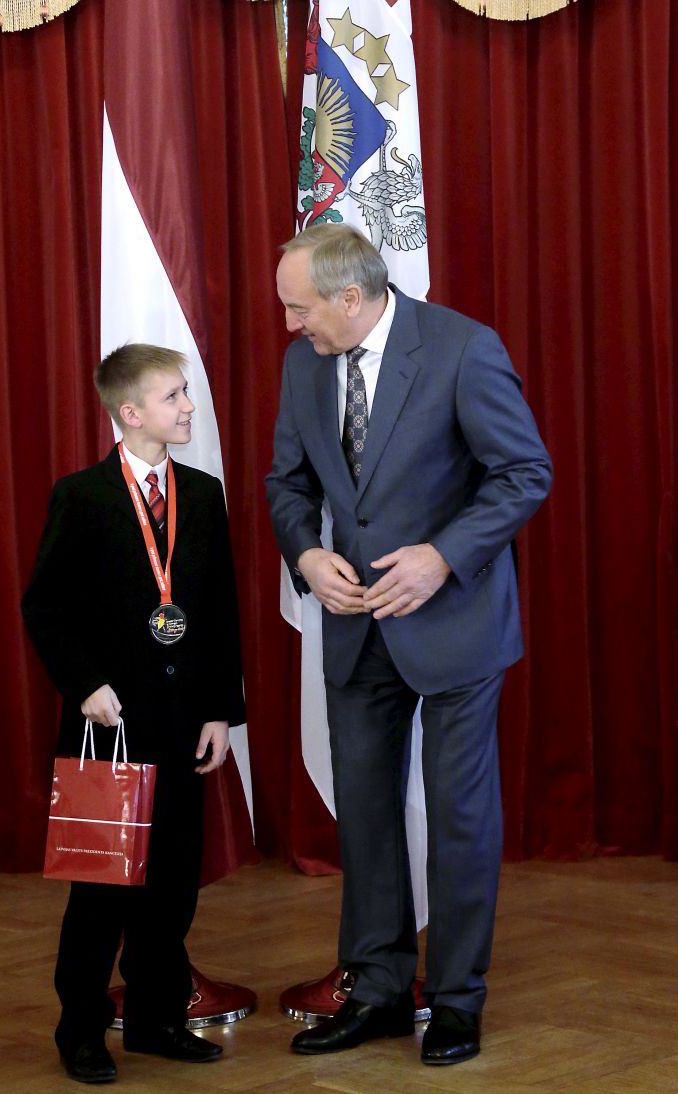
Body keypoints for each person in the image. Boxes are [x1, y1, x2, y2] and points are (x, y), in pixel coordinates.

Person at [266, 224, 552, 1066]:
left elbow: (523, 472)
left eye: (300, 308)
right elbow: (288, 484)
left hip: (455, 623)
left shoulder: (463, 349)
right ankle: (380, 991)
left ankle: (457, 1001)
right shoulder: (304, 365)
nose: (290, 324)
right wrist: (305, 555)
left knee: (460, 820)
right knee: (364, 816)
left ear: (351, 297)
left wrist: (443, 557)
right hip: (356, 627)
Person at [22, 344, 245, 1083]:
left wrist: (219, 710)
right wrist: (84, 683)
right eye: (173, 396)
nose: (188, 406)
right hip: (108, 727)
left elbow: (218, 611)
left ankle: (157, 1018)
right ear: (131, 412)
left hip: (183, 723)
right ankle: (81, 1029)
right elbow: (45, 607)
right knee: (101, 885)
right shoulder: (82, 497)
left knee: (172, 883)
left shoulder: (202, 495)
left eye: (186, 393)